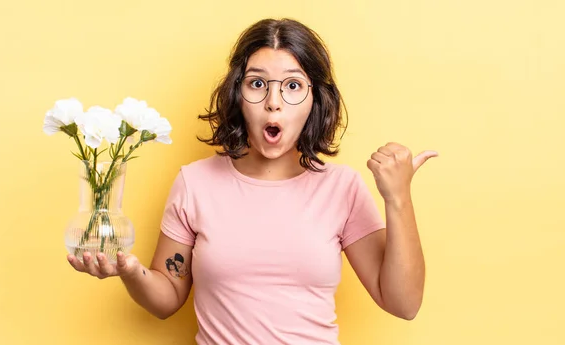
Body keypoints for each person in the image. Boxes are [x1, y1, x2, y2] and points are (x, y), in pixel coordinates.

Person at [67, 17, 438, 345]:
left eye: (292, 86)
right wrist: (130, 272)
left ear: (315, 100)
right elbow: (166, 300)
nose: (273, 102)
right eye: (257, 83)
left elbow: (403, 304)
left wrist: (398, 198)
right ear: (237, 94)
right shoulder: (194, 183)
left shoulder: (342, 188)